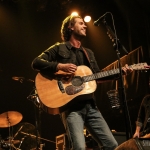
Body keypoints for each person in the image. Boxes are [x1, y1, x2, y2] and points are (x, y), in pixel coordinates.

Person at [31, 15, 133, 150]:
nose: (85, 26)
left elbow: (97, 76)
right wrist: (60, 66)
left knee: (112, 144)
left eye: (84, 24)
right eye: (81, 23)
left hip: (91, 106)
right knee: (79, 148)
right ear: (70, 27)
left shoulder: (88, 53)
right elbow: (36, 63)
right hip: (70, 108)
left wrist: (119, 73)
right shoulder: (59, 48)